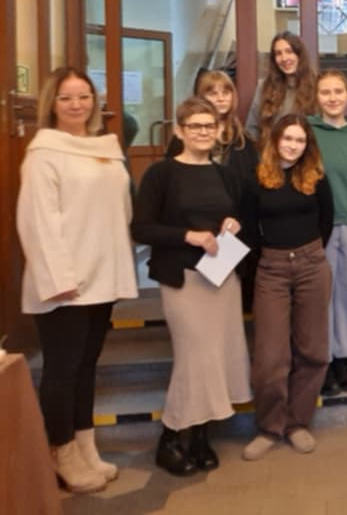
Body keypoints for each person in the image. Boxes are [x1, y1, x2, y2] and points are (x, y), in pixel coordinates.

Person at [17, 67, 138, 493]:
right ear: (52, 103)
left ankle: (86, 447)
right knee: (62, 370)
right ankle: (62, 453)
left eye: (84, 96)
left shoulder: (105, 146)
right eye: (66, 97)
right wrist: (59, 277)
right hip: (65, 281)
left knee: (87, 366)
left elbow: (121, 210)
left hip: (102, 274)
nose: (77, 105)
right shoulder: (43, 153)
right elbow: (37, 221)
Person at [132, 97, 251, 477]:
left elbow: (237, 214)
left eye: (209, 126)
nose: (203, 132)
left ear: (219, 131)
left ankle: (200, 438)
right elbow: (141, 228)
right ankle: (169, 439)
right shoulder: (161, 174)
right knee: (194, 358)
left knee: (218, 357)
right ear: (180, 131)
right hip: (183, 279)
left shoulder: (224, 173)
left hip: (221, 277)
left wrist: (233, 223)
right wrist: (188, 235)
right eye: (195, 126)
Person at [242, 115, 334, 461]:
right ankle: (269, 427)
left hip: (312, 265)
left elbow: (326, 222)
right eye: (288, 139)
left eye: (300, 140)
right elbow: (248, 229)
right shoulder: (256, 179)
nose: (293, 146)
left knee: (313, 351)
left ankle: (298, 423)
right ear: (275, 140)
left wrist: (309, 254)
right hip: (271, 270)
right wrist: (270, 260)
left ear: (307, 145)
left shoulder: (316, 177)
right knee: (270, 358)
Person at [167, 69, 259, 312]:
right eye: (212, 92)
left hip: (234, 234)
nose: (220, 97)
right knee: (196, 306)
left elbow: (252, 192)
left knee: (229, 305)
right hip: (194, 233)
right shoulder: (182, 141)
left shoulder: (245, 141)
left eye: (226, 91)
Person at [308, 69, 347, 395]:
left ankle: (344, 358)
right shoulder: (308, 133)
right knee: (323, 295)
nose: (332, 98)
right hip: (320, 225)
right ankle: (325, 359)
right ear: (317, 97)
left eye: (338, 92)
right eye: (325, 92)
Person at [246, 32, 317, 143]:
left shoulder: (316, 86)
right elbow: (251, 129)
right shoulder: (264, 87)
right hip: (269, 151)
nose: (284, 58)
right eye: (278, 53)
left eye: (289, 51)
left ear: (300, 55)